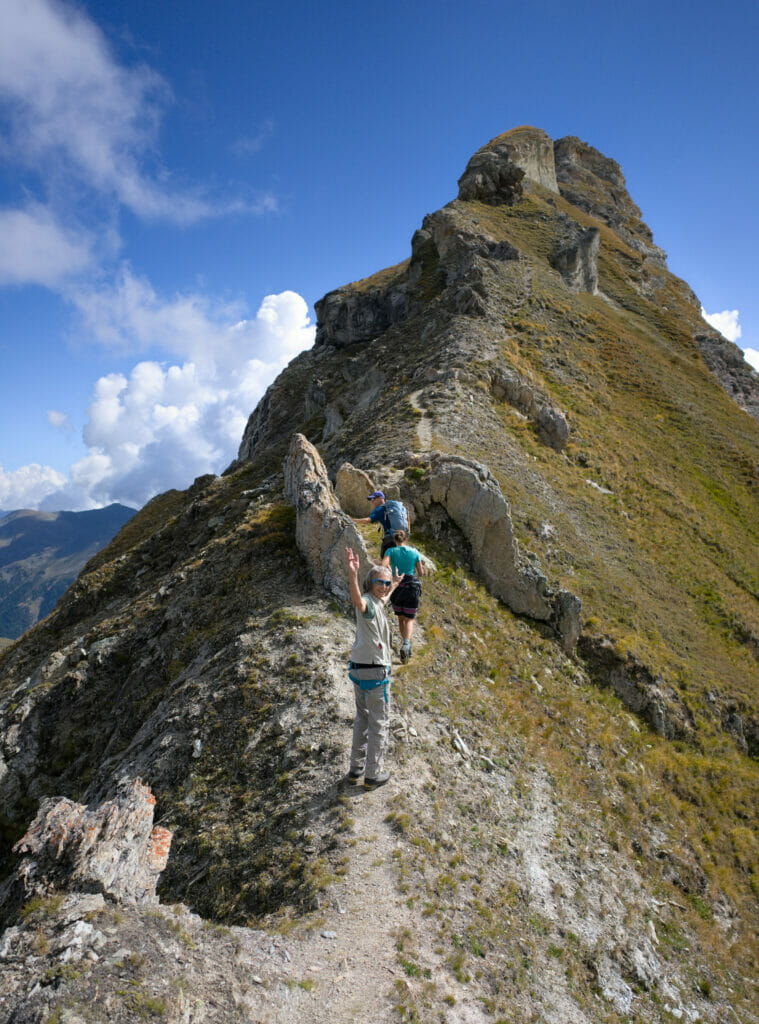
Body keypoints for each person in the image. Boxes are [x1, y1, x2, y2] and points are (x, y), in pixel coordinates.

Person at [345, 546, 402, 787]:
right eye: (380, 582)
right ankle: (372, 775)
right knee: (379, 723)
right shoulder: (367, 602)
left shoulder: (378, 601)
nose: (384, 586)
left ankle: (355, 770)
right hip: (375, 671)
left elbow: (384, 600)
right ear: (371, 582)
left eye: (386, 583)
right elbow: (358, 602)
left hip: (359, 668)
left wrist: (396, 584)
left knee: (362, 719)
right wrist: (352, 574)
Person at [382, 529, 425, 663]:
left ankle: (405, 643)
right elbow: (421, 573)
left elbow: (383, 565)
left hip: (397, 587)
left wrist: (391, 570)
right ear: (406, 539)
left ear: (395, 540)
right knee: (410, 619)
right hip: (411, 587)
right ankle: (406, 643)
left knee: (401, 618)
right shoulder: (414, 552)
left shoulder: (390, 551)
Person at [351, 491, 398, 557]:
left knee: (385, 561)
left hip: (390, 538)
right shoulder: (393, 508)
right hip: (401, 538)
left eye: (373, 499)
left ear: (380, 498)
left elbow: (367, 521)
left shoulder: (380, 509)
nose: (372, 502)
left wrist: (352, 520)